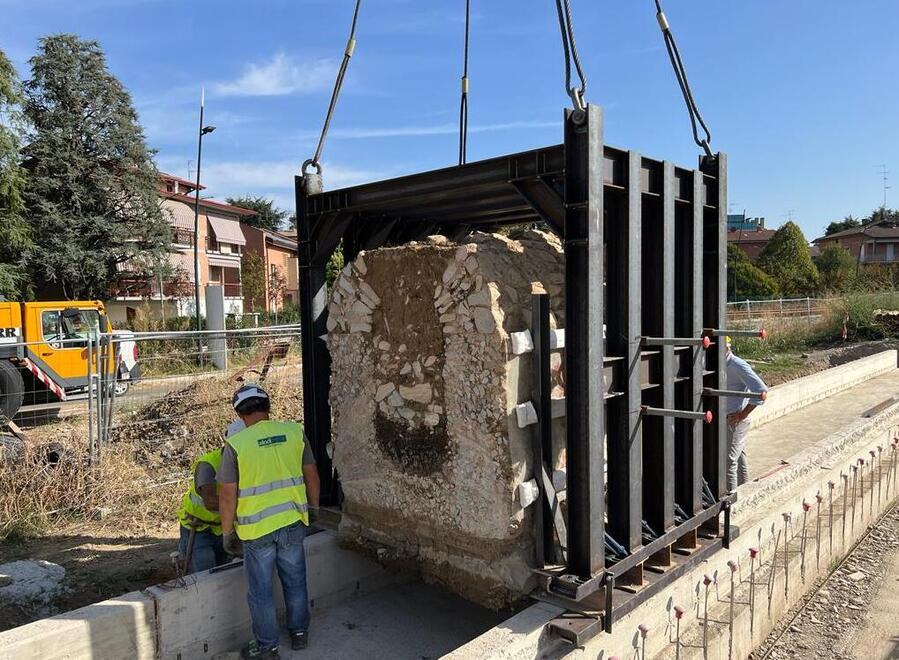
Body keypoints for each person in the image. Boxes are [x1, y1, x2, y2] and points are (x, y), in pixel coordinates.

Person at [218, 385, 321, 660]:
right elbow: (312, 475)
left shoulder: (237, 445)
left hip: (256, 531)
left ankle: (268, 648)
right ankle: (299, 634)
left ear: (240, 414)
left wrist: (227, 533)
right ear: (268, 407)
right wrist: (315, 508)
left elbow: (227, 496)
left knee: (260, 592)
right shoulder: (294, 433)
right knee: (296, 580)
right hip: (292, 522)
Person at [725, 337, 769, 491]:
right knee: (738, 456)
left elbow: (761, 391)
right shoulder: (719, 364)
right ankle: (745, 491)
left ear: (726, 348)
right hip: (728, 419)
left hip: (735, 420)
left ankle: (732, 501)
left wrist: (742, 415)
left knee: (729, 462)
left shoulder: (737, 365)